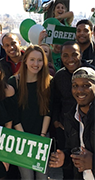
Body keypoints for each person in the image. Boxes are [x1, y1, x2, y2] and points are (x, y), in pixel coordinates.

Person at [52, 41, 95, 180]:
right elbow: (75, 155)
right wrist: (64, 158)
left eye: (86, 85)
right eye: (75, 85)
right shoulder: (72, 118)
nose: (80, 90)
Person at [8, 45, 51, 180]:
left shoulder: (49, 81)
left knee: (42, 177)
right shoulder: (14, 82)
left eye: (39, 60)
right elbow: (13, 114)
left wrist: (42, 135)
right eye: (32, 59)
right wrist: (24, 137)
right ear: (25, 60)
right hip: (21, 136)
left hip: (41, 135)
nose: (36, 64)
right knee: (27, 177)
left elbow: (48, 111)